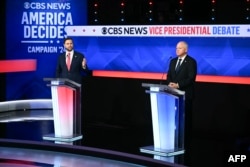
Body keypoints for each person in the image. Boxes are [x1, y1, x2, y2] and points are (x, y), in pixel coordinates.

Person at [166, 41, 197, 166]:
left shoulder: (191, 61)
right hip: (172, 94)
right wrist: (170, 83)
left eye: (179, 48)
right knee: (174, 120)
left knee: (185, 121)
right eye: (176, 48)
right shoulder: (173, 61)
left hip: (185, 96)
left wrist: (178, 85)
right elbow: (169, 75)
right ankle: (174, 140)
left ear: (186, 50)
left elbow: (191, 77)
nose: (177, 50)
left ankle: (185, 144)